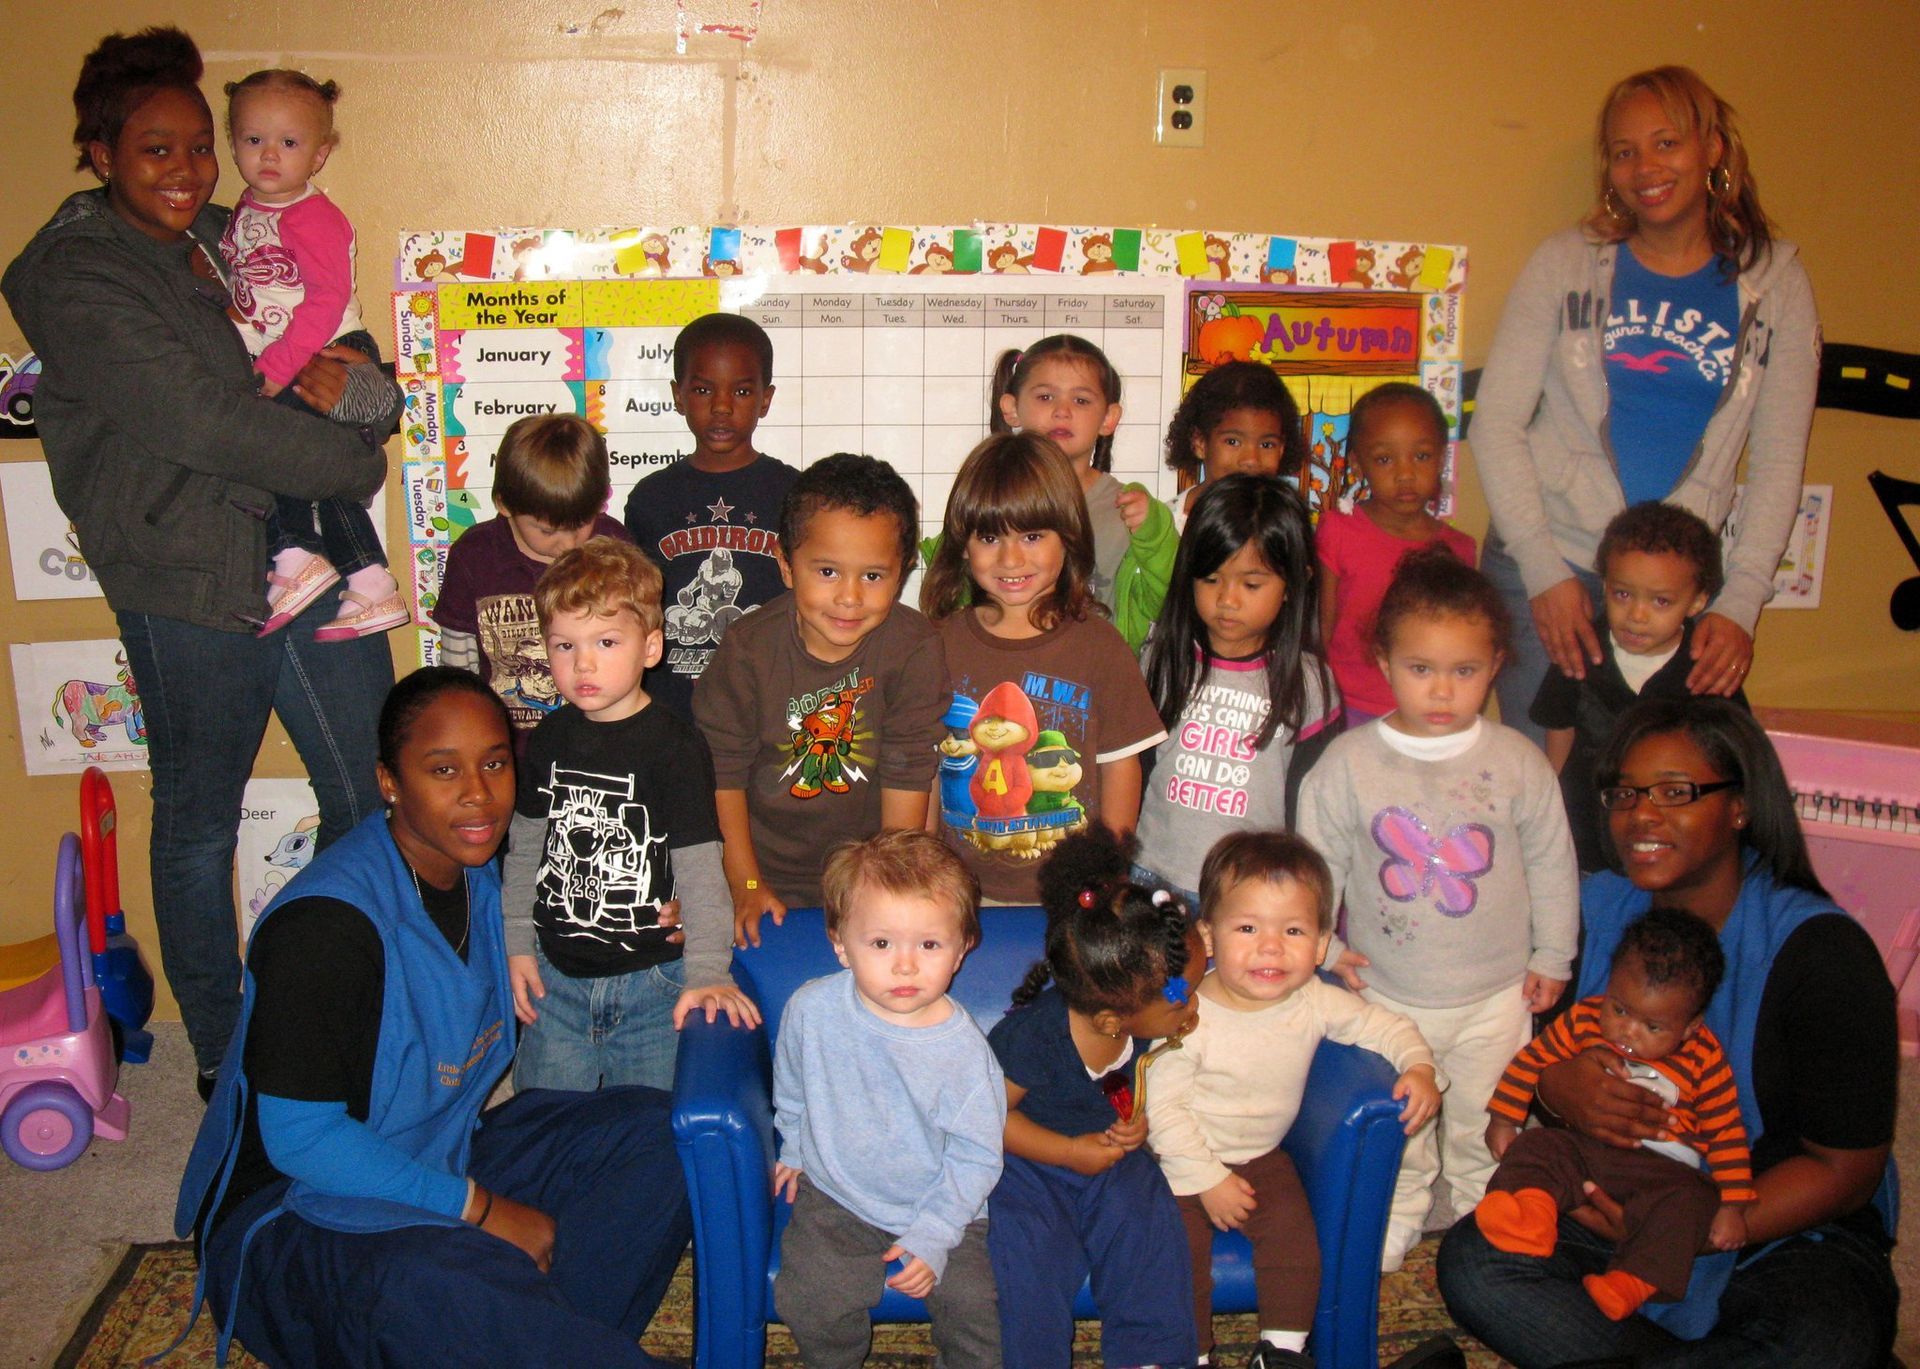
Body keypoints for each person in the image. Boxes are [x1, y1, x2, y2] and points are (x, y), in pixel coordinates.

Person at [3, 26, 399, 1096]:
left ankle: (322, 1007)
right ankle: (225, 1053)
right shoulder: (74, 273)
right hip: (188, 579)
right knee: (199, 825)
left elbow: (371, 373)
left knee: (369, 795)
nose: (185, 173)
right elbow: (205, 421)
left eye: (196, 149)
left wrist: (366, 400)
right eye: (154, 152)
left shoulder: (239, 233)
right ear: (98, 153)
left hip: (302, 549)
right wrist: (355, 460)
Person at [176, 668, 692, 1366]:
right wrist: (479, 1208)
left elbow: (604, 894)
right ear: (389, 781)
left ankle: (532, 1333)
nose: (478, 794)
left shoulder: (485, 873)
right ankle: (519, 1330)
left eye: (495, 763)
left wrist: (669, 905)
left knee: (664, 1132)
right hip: (298, 1212)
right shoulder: (323, 930)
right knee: (432, 1285)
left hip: (437, 1149)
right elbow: (301, 1140)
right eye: (442, 769)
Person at [1437, 697, 1899, 1368]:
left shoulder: (1823, 953)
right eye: (1625, 792)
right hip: (1614, 1206)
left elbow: (1847, 1170)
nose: (1640, 814)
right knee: (1476, 1263)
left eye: (1675, 792)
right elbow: (1549, 1060)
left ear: (1739, 805)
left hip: (1778, 1232)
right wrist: (1558, 1091)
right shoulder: (1592, 909)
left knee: (1819, 1336)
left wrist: (1697, 1230)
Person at [1473, 66, 1818, 745]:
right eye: (1625, 151)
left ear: (1713, 148)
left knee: (1658, 788)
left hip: (1675, 589)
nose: (1645, 167)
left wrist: (1741, 601)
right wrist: (1543, 571)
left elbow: (1780, 458)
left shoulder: (1776, 283)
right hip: (1551, 563)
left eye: (1666, 143)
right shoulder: (1566, 262)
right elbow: (1496, 424)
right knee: (1544, 795)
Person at [1296, 545, 1578, 1273]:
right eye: (1422, 669)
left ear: (1495, 666)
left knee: (1489, 1118)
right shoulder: (1350, 763)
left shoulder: (1518, 760)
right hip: (1389, 993)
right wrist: (1321, 946)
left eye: (1466, 671)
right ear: (1384, 662)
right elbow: (1316, 863)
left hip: (1497, 992)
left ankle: (1485, 1216)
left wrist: (1555, 955)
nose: (1444, 690)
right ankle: (1398, 1209)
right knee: (1404, 1123)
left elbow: (1552, 860)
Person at [1147, 830, 1439, 1368]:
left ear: (1323, 945)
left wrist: (1419, 1066)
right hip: (1179, 1162)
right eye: (1248, 927)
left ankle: (1281, 1352)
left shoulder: (1314, 999)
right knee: (1175, 1255)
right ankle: (1191, 1354)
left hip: (1261, 1156)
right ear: (1208, 937)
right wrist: (1207, 1178)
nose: (1271, 947)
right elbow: (1161, 1110)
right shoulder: (1186, 1016)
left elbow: (1383, 1026)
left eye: (1295, 930)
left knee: (1297, 1246)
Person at [502, 537, 757, 1094]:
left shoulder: (677, 747)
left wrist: (709, 971)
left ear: (651, 647)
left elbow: (700, 869)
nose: (583, 663)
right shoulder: (548, 739)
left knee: (645, 1136)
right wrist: (518, 944)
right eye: (564, 645)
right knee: (546, 1130)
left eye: (606, 641)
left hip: (652, 986)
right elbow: (525, 850)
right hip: (556, 982)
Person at [772, 829, 1005, 1368]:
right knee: (810, 1298)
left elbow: (976, 1158)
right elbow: (794, 1085)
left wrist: (934, 1235)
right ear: (839, 943)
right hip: (837, 1195)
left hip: (944, 1204)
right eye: (881, 943)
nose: (905, 965)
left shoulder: (965, 1052)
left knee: (979, 1311)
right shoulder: (811, 1010)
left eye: (929, 944)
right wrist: (794, 1149)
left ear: (962, 948)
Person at [695, 453, 948, 945]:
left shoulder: (914, 647)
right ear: (786, 565)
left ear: (904, 570)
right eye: (828, 572)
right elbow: (722, 777)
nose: (849, 597)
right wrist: (744, 884)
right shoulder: (748, 648)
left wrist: (883, 892)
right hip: (758, 872)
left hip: (868, 873)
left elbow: (908, 772)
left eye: (873, 576)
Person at [921, 433, 1167, 904]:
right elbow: (927, 768)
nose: (1011, 559)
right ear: (964, 544)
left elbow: (1121, 769)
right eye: (990, 537)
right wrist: (926, 866)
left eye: (1032, 536)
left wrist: (1109, 875)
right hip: (960, 894)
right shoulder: (939, 643)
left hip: (1076, 896)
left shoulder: (1101, 646)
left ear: (1068, 535)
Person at [987, 830, 1201, 1368]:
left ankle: (1152, 1355)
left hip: (1109, 1161)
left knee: (1148, 1220)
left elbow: (1135, 1079)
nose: (1192, 1006)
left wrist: (1137, 1124)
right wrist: (1065, 1152)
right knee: (1030, 1264)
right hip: (1030, 1165)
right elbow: (987, 1120)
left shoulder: (1136, 1014)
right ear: (1112, 1019)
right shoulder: (1035, 1038)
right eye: (1181, 997)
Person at [1478, 908, 1754, 1321]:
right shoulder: (1584, 1019)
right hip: (1588, 1149)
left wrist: (1732, 1204)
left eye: (1653, 1027)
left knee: (1694, 1200)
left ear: (1690, 1027)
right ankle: (1530, 1214)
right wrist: (1505, 1118)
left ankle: (1630, 1282)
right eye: (1620, 1009)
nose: (1628, 1032)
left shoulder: (1705, 1059)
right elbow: (1531, 1061)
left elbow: (1726, 1133)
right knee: (1538, 1146)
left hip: (1663, 1169)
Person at [218, 69, 404, 641]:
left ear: (320, 155)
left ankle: (298, 553)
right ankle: (370, 580)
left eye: (289, 143)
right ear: (233, 143)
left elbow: (325, 300)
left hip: (326, 354)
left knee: (286, 455)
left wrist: (276, 367)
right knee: (316, 470)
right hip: (290, 354)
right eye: (253, 140)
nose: (269, 155)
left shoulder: (313, 216)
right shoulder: (244, 215)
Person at [1136, 475, 1341, 905]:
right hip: (1152, 875)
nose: (1227, 599)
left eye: (1251, 584)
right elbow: (1133, 774)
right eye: (1211, 579)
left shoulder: (1310, 684)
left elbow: (1314, 811)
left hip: (1251, 891)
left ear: (1293, 584)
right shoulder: (1159, 659)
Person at [1531, 502, 1748, 871]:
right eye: (1623, 595)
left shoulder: (1707, 668)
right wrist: (1548, 796)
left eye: (1660, 601)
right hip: (1586, 831)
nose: (1637, 615)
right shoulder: (1580, 651)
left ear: (1697, 601)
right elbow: (1560, 727)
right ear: (1604, 585)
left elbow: (1733, 756)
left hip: (1671, 840)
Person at [623, 312, 799, 719]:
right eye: (703, 390)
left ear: (765, 399)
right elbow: (633, 609)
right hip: (673, 711)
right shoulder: (652, 498)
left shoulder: (795, 493)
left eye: (740, 392)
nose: (721, 407)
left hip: (769, 708)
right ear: (678, 395)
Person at [432, 412, 630, 750]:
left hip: (597, 743)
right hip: (508, 746)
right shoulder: (474, 556)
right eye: (548, 531)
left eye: (581, 525)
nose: (568, 545)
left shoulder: (613, 545)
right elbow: (457, 661)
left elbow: (633, 644)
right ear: (504, 505)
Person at [989, 334, 1175, 651]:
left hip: (1098, 679)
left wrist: (1155, 531)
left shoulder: (1128, 508)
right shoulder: (990, 496)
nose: (1063, 411)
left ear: (1108, 418)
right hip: (1012, 673)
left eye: (1081, 401)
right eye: (1046, 397)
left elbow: (1165, 598)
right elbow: (960, 589)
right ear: (1011, 408)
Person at [1316, 383, 1476, 727]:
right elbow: (1322, 629)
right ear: (1358, 463)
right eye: (1385, 459)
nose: (1405, 474)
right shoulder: (1338, 530)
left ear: (1442, 457)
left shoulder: (1459, 549)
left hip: (1428, 712)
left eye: (1421, 456)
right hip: (1345, 707)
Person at [1161, 360, 1305, 532]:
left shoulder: (1287, 523)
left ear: (1282, 448)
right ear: (1200, 443)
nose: (1251, 459)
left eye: (1267, 444)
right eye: (1233, 442)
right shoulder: (1167, 527)